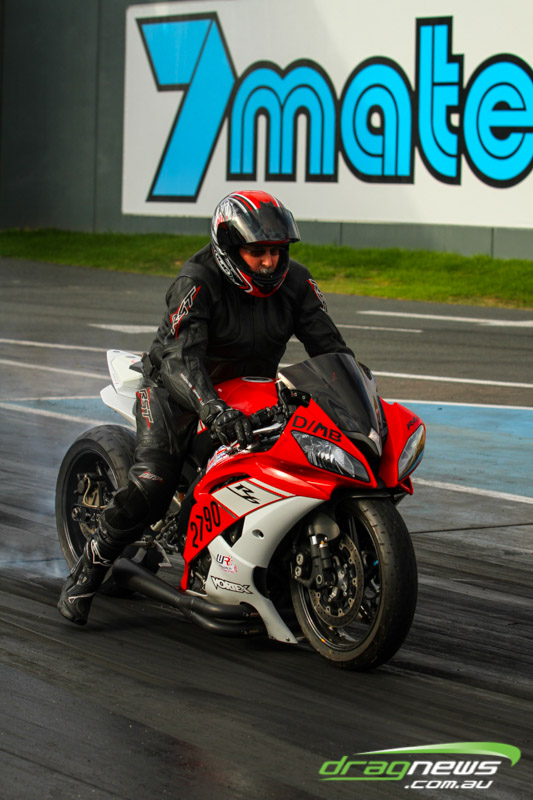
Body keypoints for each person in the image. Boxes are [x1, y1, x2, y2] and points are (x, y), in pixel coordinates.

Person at [57, 190, 354, 625]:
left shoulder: (297, 283)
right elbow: (181, 359)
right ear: (229, 249)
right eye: (257, 252)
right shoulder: (197, 281)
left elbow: (330, 348)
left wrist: (355, 390)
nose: (269, 262)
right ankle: (89, 568)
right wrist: (213, 410)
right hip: (177, 389)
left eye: (276, 251)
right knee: (153, 482)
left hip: (251, 390)